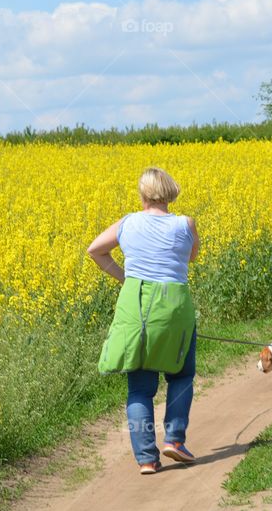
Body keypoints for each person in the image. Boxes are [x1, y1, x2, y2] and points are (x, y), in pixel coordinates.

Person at [87, 167, 200, 475]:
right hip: (174, 310)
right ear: (170, 192)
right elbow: (191, 257)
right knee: (180, 375)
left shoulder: (128, 223)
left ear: (143, 194)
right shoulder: (184, 224)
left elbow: (95, 250)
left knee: (140, 389)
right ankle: (174, 440)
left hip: (134, 308)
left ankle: (147, 459)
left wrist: (125, 277)